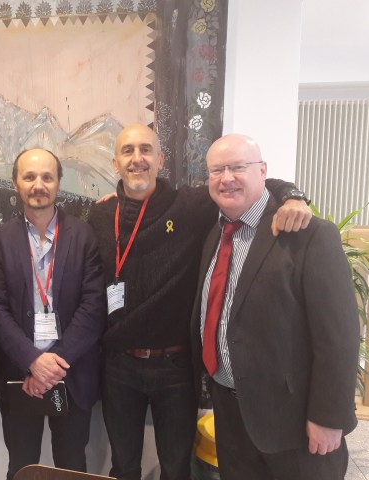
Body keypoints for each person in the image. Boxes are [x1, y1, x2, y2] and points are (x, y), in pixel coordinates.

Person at [87, 124, 313, 480]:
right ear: (115, 163)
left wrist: (293, 196)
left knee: (177, 468)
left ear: (161, 159)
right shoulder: (100, 216)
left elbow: (248, 183)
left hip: (175, 368)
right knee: (123, 466)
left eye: (146, 150)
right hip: (119, 367)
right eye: (127, 151)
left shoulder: (191, 205)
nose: (137, 159)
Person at [191, 133, 358, 480]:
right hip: (231, 414)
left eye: (238, 167)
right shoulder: (214, 233)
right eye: (217, 170)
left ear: (263, 170)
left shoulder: (309, 234)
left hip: (293, 423)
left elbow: (339, 338)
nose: (226, 178)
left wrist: (329, 417)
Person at [0, 148, 107, 480]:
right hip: (21, 376)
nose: (38, 185)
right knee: (21, 466)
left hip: (72, 374)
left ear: (58, 183)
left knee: (72, 466)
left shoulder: (83, 235)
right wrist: (32, 361)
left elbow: (94, 306)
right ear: (15, 183)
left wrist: (54, 364)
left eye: (47, 177)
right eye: (29, 177)